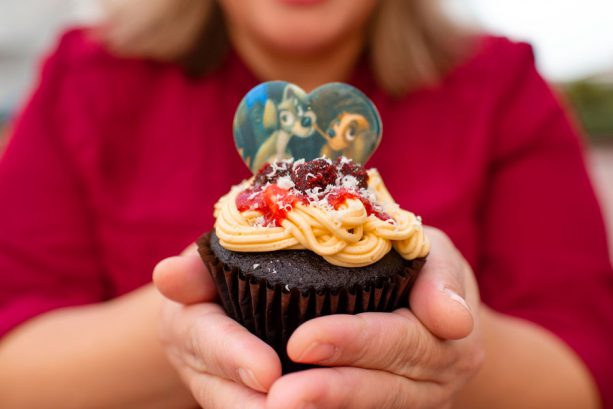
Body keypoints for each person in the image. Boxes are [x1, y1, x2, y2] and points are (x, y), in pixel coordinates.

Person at [0, 0, 611, 407]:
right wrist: (182, 324)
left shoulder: (501, 86)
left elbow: (586, 375)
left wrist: (460, 344)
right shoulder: (83, 79)